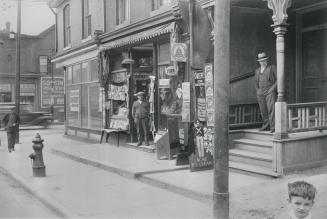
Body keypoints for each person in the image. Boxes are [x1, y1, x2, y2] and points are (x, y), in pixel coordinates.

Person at [254, 52, 277, 132]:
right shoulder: (257, 71)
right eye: (260, 61)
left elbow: (278, 80)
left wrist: (272, 89)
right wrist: (258, 91)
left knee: (271, 109)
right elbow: (256, 83)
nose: (262, 62)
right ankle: (266, 126)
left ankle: (273, 127)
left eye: (263, 60)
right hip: (260, 93)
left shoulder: (272, 67)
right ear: (259, 61)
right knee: (263, 110)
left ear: (266, 60)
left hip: (270, 91)